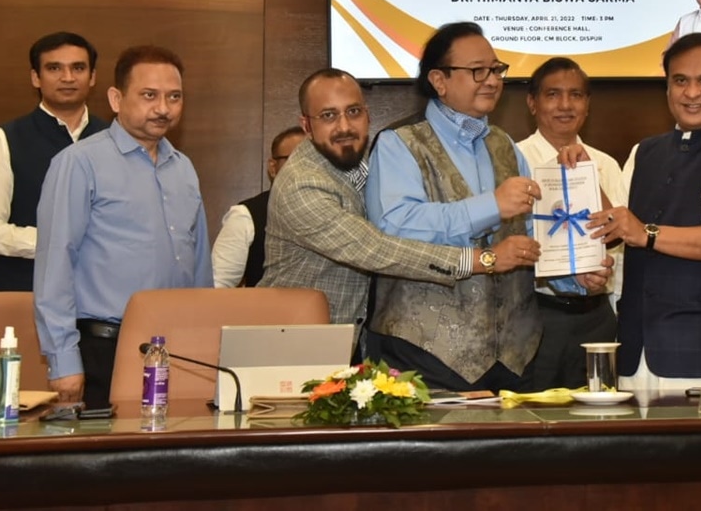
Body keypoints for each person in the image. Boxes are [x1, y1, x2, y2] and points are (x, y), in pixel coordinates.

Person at [365, 22, 610, 393]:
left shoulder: (505, 145)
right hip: (425, 355)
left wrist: (571, 276)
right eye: (477, 71)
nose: (492, 80)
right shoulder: (399, 143)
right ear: (439, 79)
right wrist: (491, 205)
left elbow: (531, 234)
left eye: (496, 69)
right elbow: (395, 226)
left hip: (515, 356)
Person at [257, 68, 537, 334]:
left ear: (367, 115)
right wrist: (486, 259)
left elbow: (436, 209)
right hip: (292, 342)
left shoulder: (367, 163)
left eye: (353, 112)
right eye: (328, 115)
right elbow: (375, 249)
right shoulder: (302, 185)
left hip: (347, 342)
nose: (344, 126)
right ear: (306, 125)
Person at [581, 32, 701, 393]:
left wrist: (648, 234)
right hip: (633, 356)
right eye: (680, 81)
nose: (691, 93)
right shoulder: (645, 152)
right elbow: (619, 226)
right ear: (668, 88)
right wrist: (578, 175)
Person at [34, 45, 212, 408]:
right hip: (104, 349)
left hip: (177, 348)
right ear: (116, 98)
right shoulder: (79, 163)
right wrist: (63, 359)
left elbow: (199, 265)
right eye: (149, 95)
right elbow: (55, 263)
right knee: (106, 463)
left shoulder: (184, 169)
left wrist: (204, 339)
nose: (163, 108)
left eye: (174, 97)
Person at [516, 57, 627, 389]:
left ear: (587, 104)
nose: (565, 105)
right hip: (536, 314)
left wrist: (588, 176)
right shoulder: (513, 159)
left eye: (575, 95)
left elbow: (620, 239)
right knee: (534, 423)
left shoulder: (606, 164)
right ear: (532, 103)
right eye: (552, 95)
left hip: (596, 316)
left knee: (596, 421)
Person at [0, 32, 109, 291]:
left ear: (92, 77)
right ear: (36, 77)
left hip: (101, 298)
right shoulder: (6, 139)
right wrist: (58, 242)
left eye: (78, 68)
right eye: (54, 68)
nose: (67, 78)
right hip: (27, 294)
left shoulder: (115, 139)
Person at [212, 126, 306, 287]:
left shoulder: (339, 212)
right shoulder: (246, 215)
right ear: (272, 167)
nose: (306, 170)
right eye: (295, 160)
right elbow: (217, 287)